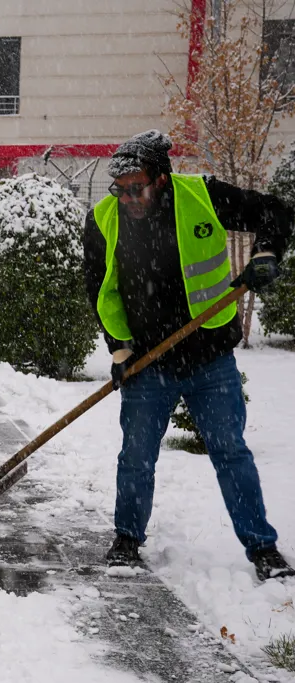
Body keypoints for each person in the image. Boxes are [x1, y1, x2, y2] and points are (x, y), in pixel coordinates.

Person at [83, 130, 294, 581]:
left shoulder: (203, 196)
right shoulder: (103, 220)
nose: (126, 198)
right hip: (146, 360)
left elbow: (275, 211)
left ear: (160, 179)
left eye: (135, 187)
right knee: (136, 456)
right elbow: (102, 291)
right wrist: (119, 350)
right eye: (118, 189)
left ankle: (262, 548)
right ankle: (127, 540)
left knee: (230, 452)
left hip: (209, 358)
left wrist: (267, 251)